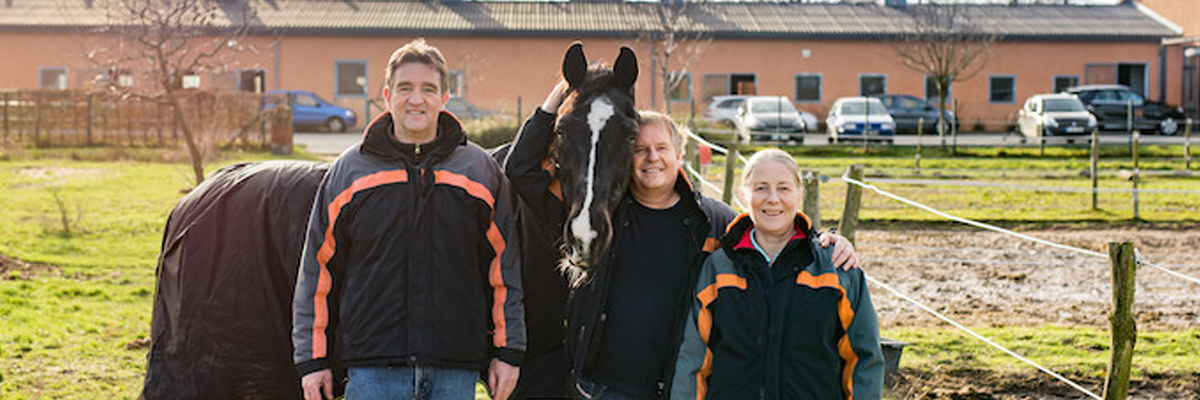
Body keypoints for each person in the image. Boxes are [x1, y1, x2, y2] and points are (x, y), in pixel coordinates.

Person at [504, 81, 859, 400]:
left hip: (676, 387)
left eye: (661, 147)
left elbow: (771, 233)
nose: (652, 157)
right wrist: (563, 92)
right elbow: (520, 169)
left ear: (680, 155)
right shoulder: (599, 217)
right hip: (602, 389)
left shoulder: (711, 221)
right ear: (626, 157)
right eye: (640, 149)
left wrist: (823, 240)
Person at [292, 38, 525, 400]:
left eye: (428, 89)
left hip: (455, 370)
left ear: (445, 97)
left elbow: (503, 271)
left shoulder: (481, 172)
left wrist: (508, 352)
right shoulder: (348, 172)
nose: (416, 99)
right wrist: (312, 359)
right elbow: (317, 272)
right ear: (387, 95)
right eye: (405, 88)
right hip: (372, 371)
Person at [672, 148, 884, 400]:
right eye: (761, 188)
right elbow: (694, 362)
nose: (773, 198)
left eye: (783, 188)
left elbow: (863, 358)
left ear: (799, 194)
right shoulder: (718, 268)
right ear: (744, 194)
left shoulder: (837, 268)